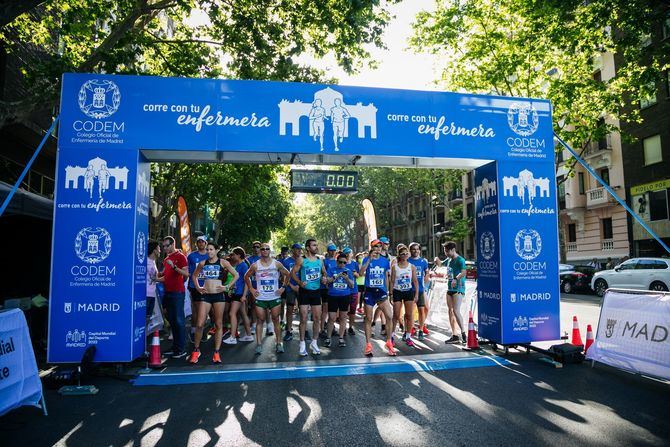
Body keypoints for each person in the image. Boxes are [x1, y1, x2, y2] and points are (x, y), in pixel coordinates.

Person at [189, 242, 239, 364]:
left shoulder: (223, 262)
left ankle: (216, 352)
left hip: (218, 296)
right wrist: (198, 288)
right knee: (200, 324)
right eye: (207, 249)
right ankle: (196, 350)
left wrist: (226, 287)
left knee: (218, 324)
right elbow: (194, 276)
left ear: (216, 250)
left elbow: (236, 275)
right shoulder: (202, 263)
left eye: (211, 249)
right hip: (206, 296)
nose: (209, 251)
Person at [244, 243, 291, 355]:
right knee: (260, 320)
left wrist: (283, 288)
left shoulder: (277, 264)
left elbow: (288, 274)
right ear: (260, 251)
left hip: (274, 296)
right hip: (261, 297)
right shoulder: (256, 265)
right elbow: (246, 276)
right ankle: (259, 344)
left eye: (267, 249)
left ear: (270, 251)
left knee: (275, 319)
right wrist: (251, 289)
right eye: (263, 249)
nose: (265, 250)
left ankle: (279, 343)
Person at [291, 238, 328, 356]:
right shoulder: (302, 260)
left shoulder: (320, 260)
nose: (316, 247)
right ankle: (302, 344)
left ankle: (314, 342)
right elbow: (292, 273)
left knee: (317, 318)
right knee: (303, 318)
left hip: (316, 292)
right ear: (307, 248)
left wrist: (324, 279)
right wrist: (299, 282)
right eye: (313, 245)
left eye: (316, 245)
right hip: (304, 292)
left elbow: (324, 274)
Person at [360, 239, 395, 356]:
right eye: (376, 246)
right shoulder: (366, 259)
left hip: (381, 292)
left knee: (389, 316)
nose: (379, 248)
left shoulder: (385, 261)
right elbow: (360, 273)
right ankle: (368, 345)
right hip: (369, 292)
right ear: (372, 248)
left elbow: (386, 276)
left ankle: (389, 342)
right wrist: (369, 259)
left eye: (380, 246)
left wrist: (388, 292)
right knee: (368, 319)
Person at [160, 236, 189, 358]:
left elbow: (186, 274)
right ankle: (175, 347)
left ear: (173, 244)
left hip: (177, 293)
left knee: (178, 320)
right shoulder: (166, 259)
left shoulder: (181, 257)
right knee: (172, 321)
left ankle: (181, 349)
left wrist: (174, 267)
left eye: (167, 245)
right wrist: (155, 278)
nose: (165, 248)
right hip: (168, 292)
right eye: (163, 246)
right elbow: (165, 277)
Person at [390, 244, 419, 347]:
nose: (405, 255)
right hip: (397, 291)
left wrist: (416, 294)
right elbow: (392, 281)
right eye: (403, 254)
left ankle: (407, 336)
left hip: (408, 292)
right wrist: (391, 294)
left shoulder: (412, 267)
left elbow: (415, 281)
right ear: (399, 255)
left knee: (409, 315)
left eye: (407, 253)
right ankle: (392, 336)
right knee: (396, 315)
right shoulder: (395, 267)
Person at [224, 247, 255, 345]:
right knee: (243, 314)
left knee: (232, 313)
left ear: (238, 255)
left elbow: (247, 281)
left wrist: (244, 295)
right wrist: (231, 289)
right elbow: (237, 280)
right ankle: (249, 335)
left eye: (233, 254)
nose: (232, 256)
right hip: (237, 292)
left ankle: (232, 337)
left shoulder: (243, 266)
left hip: (240, 293)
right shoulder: (239, 265)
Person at [325, 251, 356, 347]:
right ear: (337, 261)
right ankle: (328, 338)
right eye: (340, 262)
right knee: (331, 318)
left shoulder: (348, 271)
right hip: (333, 296)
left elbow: (352, 285)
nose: (342, 264)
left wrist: (346, 279)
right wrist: (337, 276)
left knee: (343, 317)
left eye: (344, 262)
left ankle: (341, 338)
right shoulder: (331, 269)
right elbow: (327, 282)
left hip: (345, 296)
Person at [187, 235, 210, 342]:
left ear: (206, 243)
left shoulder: (210, 256)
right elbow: (188, 271)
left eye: (202, 242)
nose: (201, 244)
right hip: (194, 286)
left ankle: (201, 329)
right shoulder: (191, 256)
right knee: (196, 309)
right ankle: (193, 330)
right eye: (199, 242)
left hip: (208, 286)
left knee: (204, 310)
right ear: (196, 244)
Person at [443, 241, 467, 344]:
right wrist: (436, 260)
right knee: (450, 311)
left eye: (447, 251)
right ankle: (454, 335)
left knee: (456, 310)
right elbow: (440, 264)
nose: (446, 253)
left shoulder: (460, 260)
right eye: (445, 251)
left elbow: (464, 272)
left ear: (453, 250)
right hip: (450, 289)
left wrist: (456, 279)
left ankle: (463, 333)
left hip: (458, 289)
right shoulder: (449, 260)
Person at [408, 242, 430, 340]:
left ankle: (420, 330)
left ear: (419, 250)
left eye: (417, 249)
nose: (416, 251)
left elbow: (426, 274)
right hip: (409, 290)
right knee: (410, 312)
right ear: (410, 250)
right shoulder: (407, 261)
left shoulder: (423, 261)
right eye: (413, 249)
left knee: (422, 310)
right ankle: (409, 329)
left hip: (420, 290)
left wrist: (424, 285)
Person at [281, 243, 302, 341]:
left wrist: (300, 285)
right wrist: (292, 286)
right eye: (297, 249)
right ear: (292, 250)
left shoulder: (303, 260)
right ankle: (288, 331)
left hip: (302, 288)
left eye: (300, 249)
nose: (299, 250)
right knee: (289, 310)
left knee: (303, 311)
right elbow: (283, 277)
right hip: (290, 289)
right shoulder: (286, 261)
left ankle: (304, 330)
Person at [320, 243, 338, 338]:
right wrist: (326, 283)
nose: (333, 252)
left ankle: (332, 326)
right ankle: (322, 329)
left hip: (334, 289)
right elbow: (323, 274)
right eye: (331, 250)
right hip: (325, 289)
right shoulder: (324, 261)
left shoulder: (337, 261)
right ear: (328, 251)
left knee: (333, 310)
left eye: (334, 250)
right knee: (325, 309)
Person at [343, 247, 360, 335]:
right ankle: (344, 328)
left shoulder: (355, 264)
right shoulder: (342, 263)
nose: (351, 254)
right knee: (345, 310)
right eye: (349, 253)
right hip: (344, 290)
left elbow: (358, 275)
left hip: (354, 290)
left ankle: (350, 327)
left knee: (353, 310)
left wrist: (355, 274)